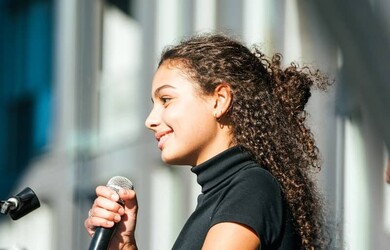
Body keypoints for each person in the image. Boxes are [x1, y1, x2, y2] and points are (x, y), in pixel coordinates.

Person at [84, 33, 332, 250]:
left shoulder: (250, 188)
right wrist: (125, 243)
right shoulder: (224, 193)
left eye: (166, 99)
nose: (150, 120)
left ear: (219, 100)